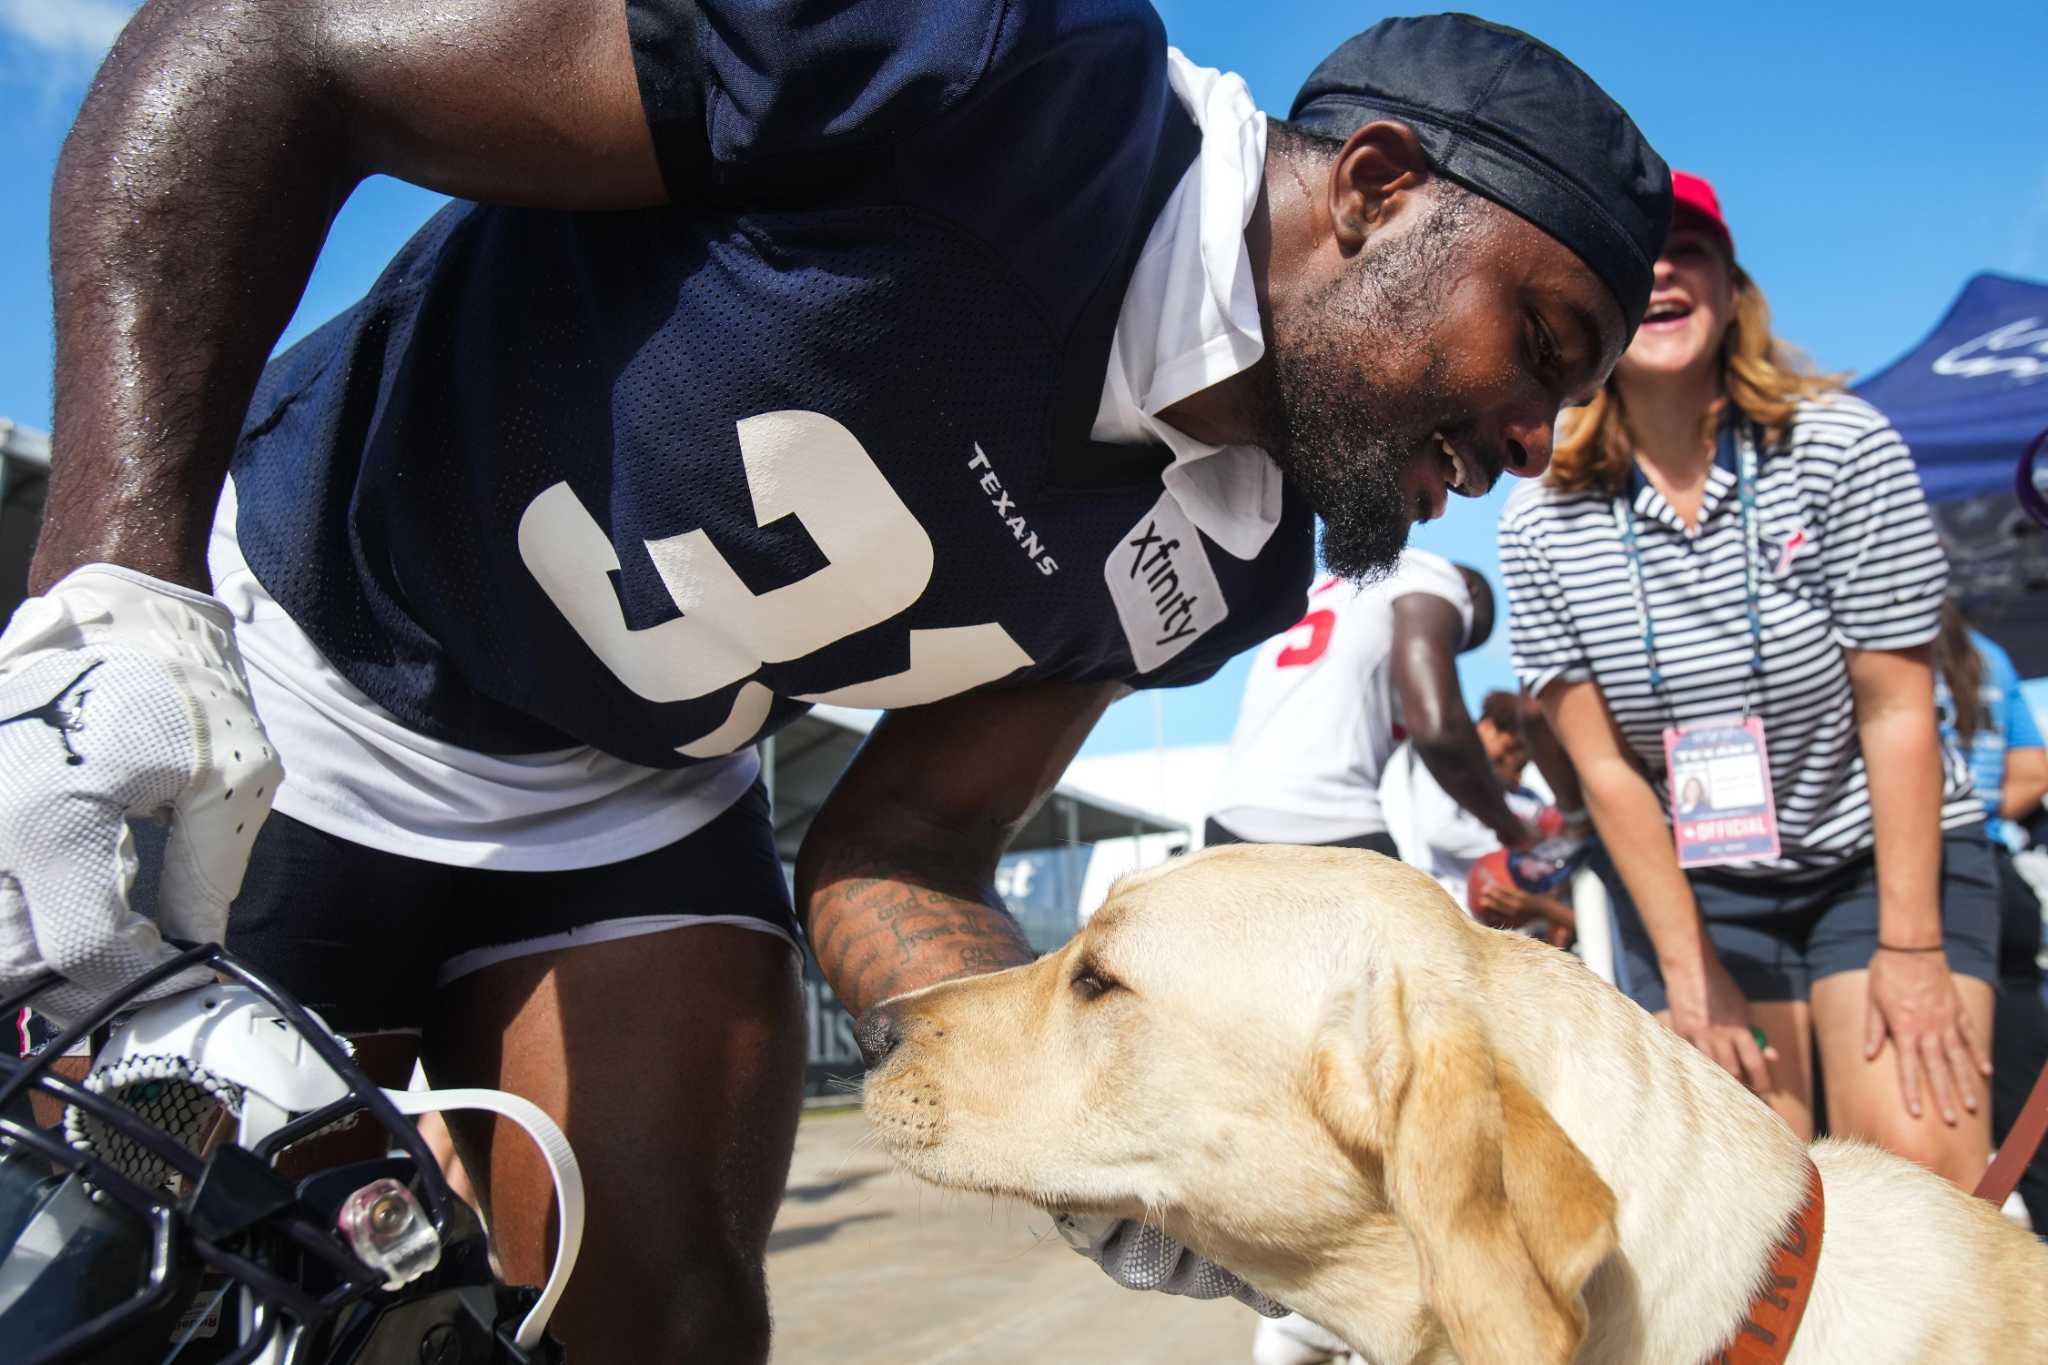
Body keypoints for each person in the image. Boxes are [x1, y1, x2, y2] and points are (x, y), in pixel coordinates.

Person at [0, 5, 1669, 1357]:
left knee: (669, 1315)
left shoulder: (1237, 558)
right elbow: (272, 45)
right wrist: (109, 601)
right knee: (145, 1293)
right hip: (294, 659)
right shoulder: (989, 68)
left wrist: (1075, 1103)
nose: (1532, 440)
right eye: (1539, 342)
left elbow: (908, 842)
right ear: (1373, 184)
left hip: (628, 797)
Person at [1499, 169, 1999, 1188]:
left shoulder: (1838, 448)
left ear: (1731, 285)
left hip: (1879, 862)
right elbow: (1604, 774)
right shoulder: (1536, 520)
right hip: (1703, 888)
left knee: (1911, 1178)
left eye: (1686, 247)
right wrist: (1689, 978)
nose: (1658, 271)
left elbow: (1897, 708)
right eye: (1627, 253)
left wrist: (1909, 953)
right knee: (1758, 1193)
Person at [1208, 552, 1532, 860]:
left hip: (1227, 823)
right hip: (1326, 818)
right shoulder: (1430, 575)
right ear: (1466, 594)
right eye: (1454, 638)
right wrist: (1512, 829)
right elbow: (1438, 732)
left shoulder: (1329, 588)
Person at [1933, 602, 2048, 1224]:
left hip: (1929, 880)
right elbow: (2033, 772)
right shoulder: (1987, 655)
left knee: (1945, 1100)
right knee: (2024, 1091)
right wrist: (1974, 808)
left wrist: (1943, 810)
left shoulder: (1868, 653)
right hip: (1996, 873)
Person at [1412, 689, 1578, 943]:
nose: (1515, 761)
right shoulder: (1445, 770)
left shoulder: (1530, 799)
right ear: (1487, 728)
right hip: (1455, 916)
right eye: (1511, 749)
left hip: (1520, 928)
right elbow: (1439, 831)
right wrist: (1517, 848)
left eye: (1523, 756)